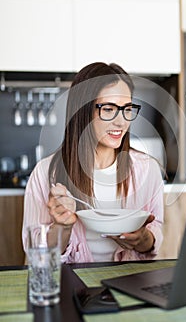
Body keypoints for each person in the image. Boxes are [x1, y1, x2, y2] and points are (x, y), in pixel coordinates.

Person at [22, 62, 164, 263]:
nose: (121, 122)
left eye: (127, 109)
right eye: (108, 109)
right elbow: (36, 253)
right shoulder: (46, 173)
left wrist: (143, 239)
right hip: (71, 287)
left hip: (128, 284)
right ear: (82, 111)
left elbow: (155, 233)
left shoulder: (147, 169)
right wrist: (62, 227)